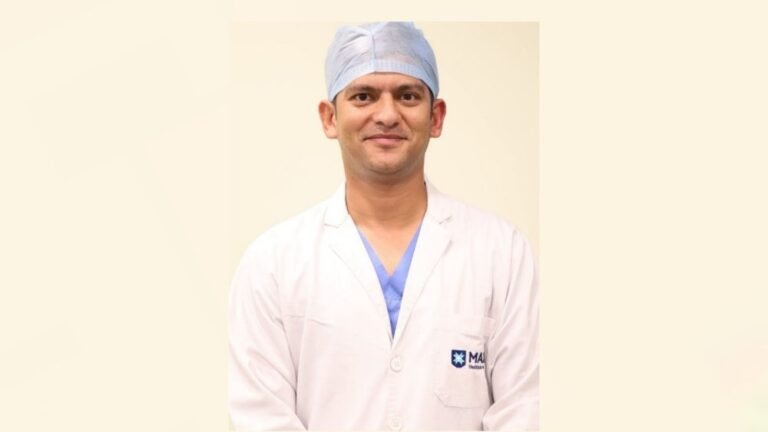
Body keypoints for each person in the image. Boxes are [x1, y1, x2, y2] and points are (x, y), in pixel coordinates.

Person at [228, 22, 539, 431]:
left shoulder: (502, 252)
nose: (388, 114)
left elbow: (526, 408)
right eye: (364, 96)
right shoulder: (272, 263)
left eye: (408, 95)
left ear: (436, 117)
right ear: (329, 118)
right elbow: (261, 417)